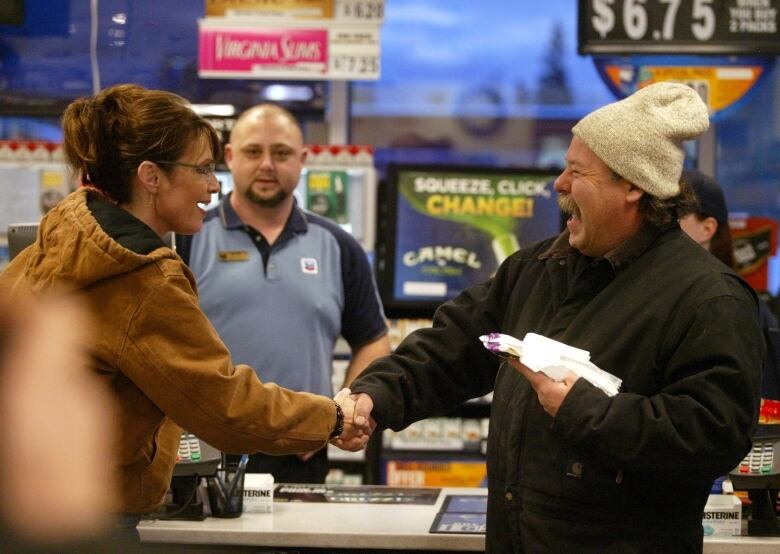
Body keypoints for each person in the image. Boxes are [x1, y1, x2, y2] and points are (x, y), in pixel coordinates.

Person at [348, 82, 764, 553]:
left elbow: (714, 434)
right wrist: (375, 396)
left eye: (576, 171)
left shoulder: (707, 297)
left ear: (631, 186)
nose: (558, 184)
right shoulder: (537, 268)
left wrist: (583, 410)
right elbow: (460, 345)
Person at [0, 84, 369, 543]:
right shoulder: (142, 276)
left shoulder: (63, 234)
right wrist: (331, 417)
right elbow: (225, 405)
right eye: (201, 170)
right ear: (151, 177)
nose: (214, 185)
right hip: (83, 516)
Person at [178, 103, 390, 483]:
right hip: (206, 455)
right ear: (229, 157)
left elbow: (373, 340)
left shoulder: (339, 247)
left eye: (281, 153)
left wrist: (344, 412)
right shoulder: (188, 239)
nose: (266, 165)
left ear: (303, 159)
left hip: (301, 455)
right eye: (253, 152)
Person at [678, 169, 780, 400]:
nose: (664, 223)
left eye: (678, 213)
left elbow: (761, 409)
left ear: (707, 228)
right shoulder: (663, 293)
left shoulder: (732, 304)